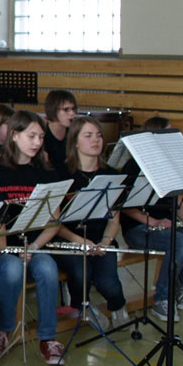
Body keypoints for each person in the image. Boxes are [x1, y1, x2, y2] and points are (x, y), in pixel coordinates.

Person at [119, 115, 183, 322]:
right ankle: (162, 299)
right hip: (140, 228)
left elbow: (177, 199)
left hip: (169, 225)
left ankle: (181, 288)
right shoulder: (132, 167)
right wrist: (155, 222)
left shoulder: (169, 163)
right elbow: (125, 207)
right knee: (181, 242)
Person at [0, 110, 64, 365]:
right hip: (2, 249)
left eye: (41, 137)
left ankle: (48, 338)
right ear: (15, 135)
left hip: (34, 245)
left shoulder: (45, 171)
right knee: (11, 270)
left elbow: (54, 221)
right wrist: (9, 248)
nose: (37, 142)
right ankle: (4, 328)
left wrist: (35, 246)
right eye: (31, 136)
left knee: (48, 270)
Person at [52, 116, 127, 325]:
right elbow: (54, 223)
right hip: (68, 240)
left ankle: (118, 305)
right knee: (80, 271)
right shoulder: (60, 174)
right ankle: (83, 305)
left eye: (99, 135)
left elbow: (114, 218)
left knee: (108, 284)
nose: (96, 140)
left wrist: (106, 241)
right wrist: (80, 241)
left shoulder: (111, 174)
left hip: (101, 240)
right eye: (88, 135)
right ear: (75, 141)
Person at [43, 90, 77, 176]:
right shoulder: (42, 134)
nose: (72, 113)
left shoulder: (73, 132)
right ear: (53, 110)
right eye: (66, 110)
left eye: (73, 109)